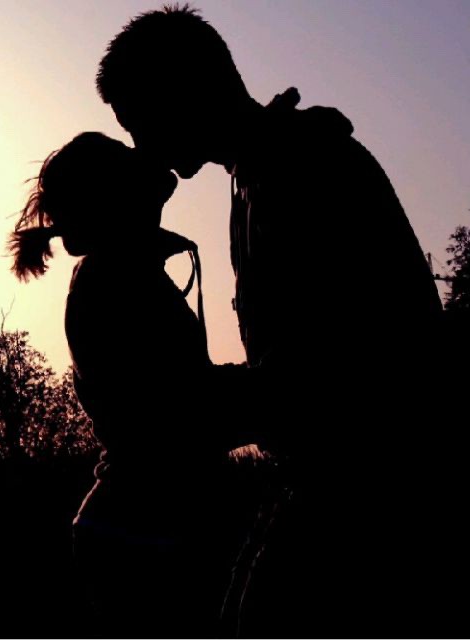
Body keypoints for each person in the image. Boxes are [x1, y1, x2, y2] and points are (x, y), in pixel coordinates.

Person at [95, 6, 446, 635]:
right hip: (330, 482)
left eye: (139, 122)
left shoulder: (304, 168)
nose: (142, 148)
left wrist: (175, 418)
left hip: (369, 491)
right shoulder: (262, 174)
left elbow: (336, 365)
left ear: (184, 91)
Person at [9, 131, 256, 637]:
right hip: (148, 530)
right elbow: (182, 409)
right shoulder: (115, 282)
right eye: (134, 184)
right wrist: (289, 389)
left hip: (139, 521)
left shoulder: (123, 271)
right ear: (114, 204)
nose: (157, 192)